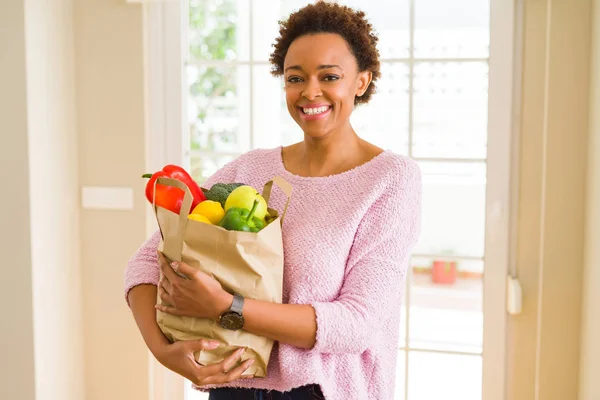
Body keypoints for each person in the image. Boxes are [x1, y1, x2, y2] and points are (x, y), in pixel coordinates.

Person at [124, 2, 422, 399]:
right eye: (295, 77)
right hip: (234, 386)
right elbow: (144, 263)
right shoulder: (251, 169)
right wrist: (164, 352)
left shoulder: (389, 180)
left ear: (361, 82)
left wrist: (227, 306)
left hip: (321, 391)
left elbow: (358, 323)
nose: (310, 91)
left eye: (329, 76)